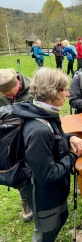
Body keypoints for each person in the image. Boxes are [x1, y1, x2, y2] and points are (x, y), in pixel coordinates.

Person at [11, 67, 82, 242]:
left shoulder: (44, 112)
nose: (68, 94)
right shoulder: (39, 130)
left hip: (55, 192)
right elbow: (47, 174)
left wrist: (70, 138)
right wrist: (73, 156)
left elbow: (54, 138)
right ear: (52, 92)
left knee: (60, 219)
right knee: (45, 234)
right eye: (65, 89)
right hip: (44, 197)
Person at [0, 68, 33, 222]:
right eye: (3, 94)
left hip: (33, 137)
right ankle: (26, 200)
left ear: (17, 83)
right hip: (12, 141)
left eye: (7, 93)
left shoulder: (33, 89)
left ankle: (45, 197)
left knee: (38, 168)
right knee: (18, 170)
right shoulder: (2, 94)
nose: (5, 97)